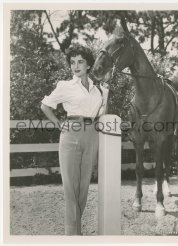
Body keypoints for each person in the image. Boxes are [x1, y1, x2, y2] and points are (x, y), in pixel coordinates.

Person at [41, 44, 109, 235]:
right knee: (70, 187)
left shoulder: (98, 91)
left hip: (92, 134)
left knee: (83, 186)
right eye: (72, 62)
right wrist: (58, 123)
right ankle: (73, 234)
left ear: (89, 65)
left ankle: (75, 231)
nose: (75, 66)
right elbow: (46, 106)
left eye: (80, 62)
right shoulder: (65, 86)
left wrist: (107, 92)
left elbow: (103, 113)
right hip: (71, 133)